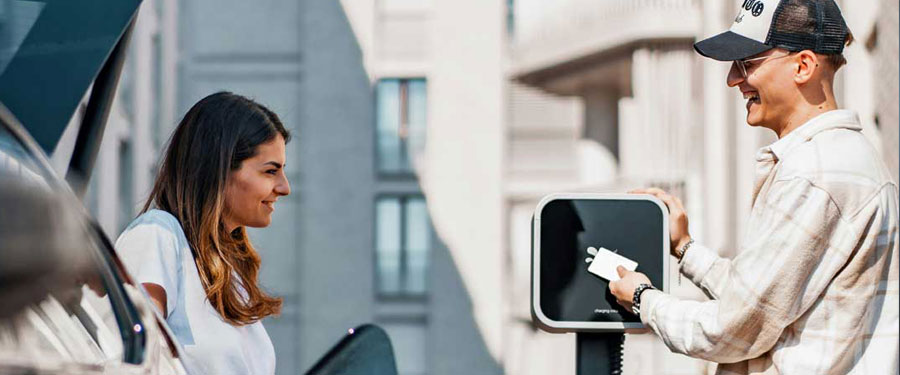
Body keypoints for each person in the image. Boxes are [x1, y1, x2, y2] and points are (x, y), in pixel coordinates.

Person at [609, 0, 899, 374]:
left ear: (804, 66)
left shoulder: (815, 170)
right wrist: (685, 248)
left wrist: (641, 298)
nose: (733, 78)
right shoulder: (841, 159)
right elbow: (763, 302)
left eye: (747, 62)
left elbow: (733, 328)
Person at [116, 92, 291, 375]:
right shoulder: (157, 236)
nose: (284, 187)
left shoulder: (230, 277)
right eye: (271, 171)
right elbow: (131, 361)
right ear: (220, 170)